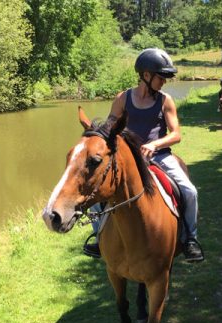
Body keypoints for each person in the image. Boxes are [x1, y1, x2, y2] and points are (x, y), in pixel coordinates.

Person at [83, 48, 205, 263]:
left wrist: (154, 144)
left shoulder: (165, 101)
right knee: (95, 194)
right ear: (146, 75)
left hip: (159, 156)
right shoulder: (122, 98)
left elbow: (176, 134)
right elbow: (110, 127)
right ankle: (100, 237)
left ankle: (189, 239)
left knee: (190, 191)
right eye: (161, 77)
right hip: (127, 158)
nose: (164, 82)